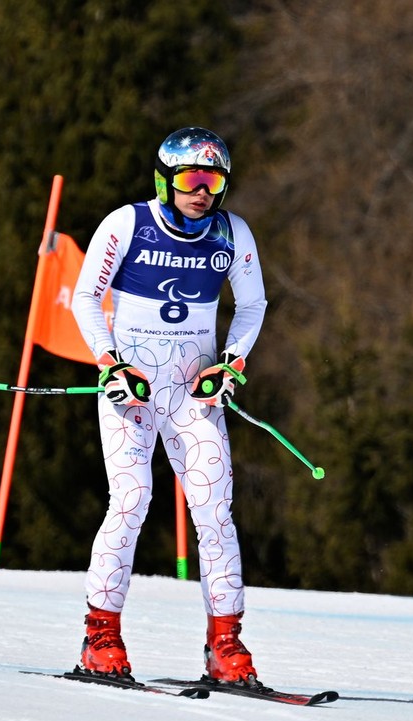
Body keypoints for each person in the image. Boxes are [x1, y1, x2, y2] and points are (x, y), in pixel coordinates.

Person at [70, 126, 268, 688]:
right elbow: (88, 296)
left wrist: (229, 363)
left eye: (214, 181)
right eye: (191, 178)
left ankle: (225, 644)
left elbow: (252, 306)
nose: (202, 191)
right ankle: (101, 636)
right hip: (131, 390)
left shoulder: (233, 233)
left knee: (215, 513)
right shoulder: (126, 223)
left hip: (191, 394)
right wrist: (110, 363)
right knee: (131, 501)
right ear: (166, 178)